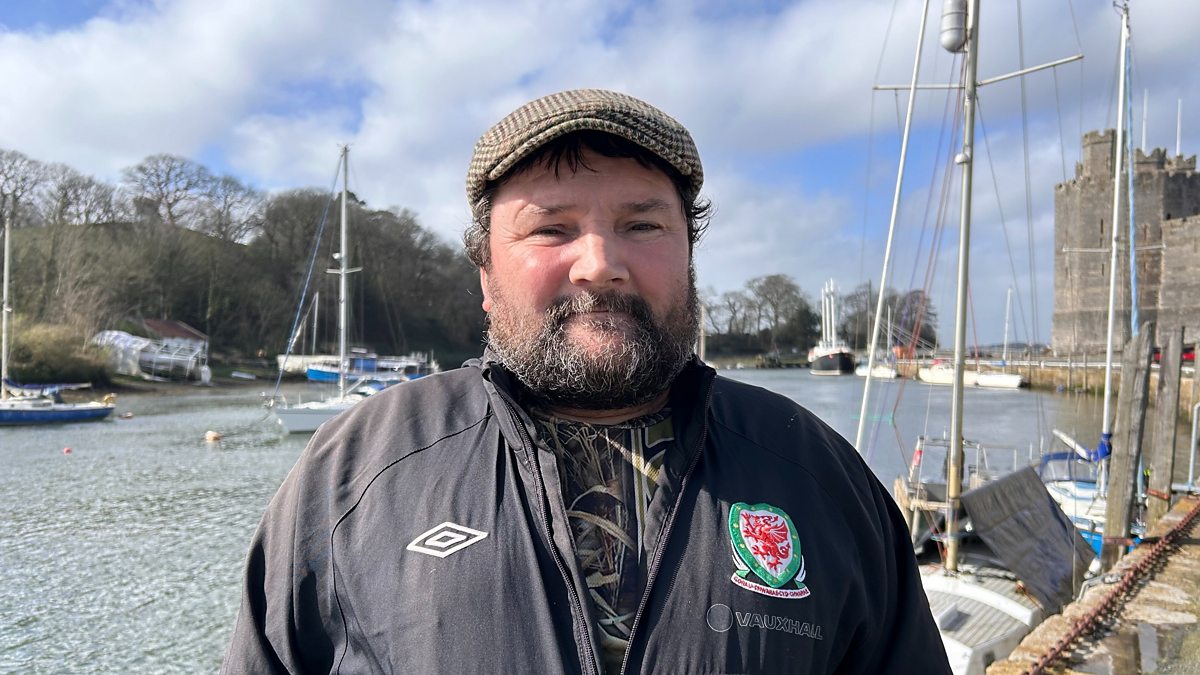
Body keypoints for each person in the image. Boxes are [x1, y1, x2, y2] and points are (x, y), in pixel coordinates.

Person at [222, 88, 951, 674]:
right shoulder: (354, 473)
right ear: (486, 274)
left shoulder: (818, 475)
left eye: (642, 225)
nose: (600, 263)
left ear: (689, 257)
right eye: (551, 228)